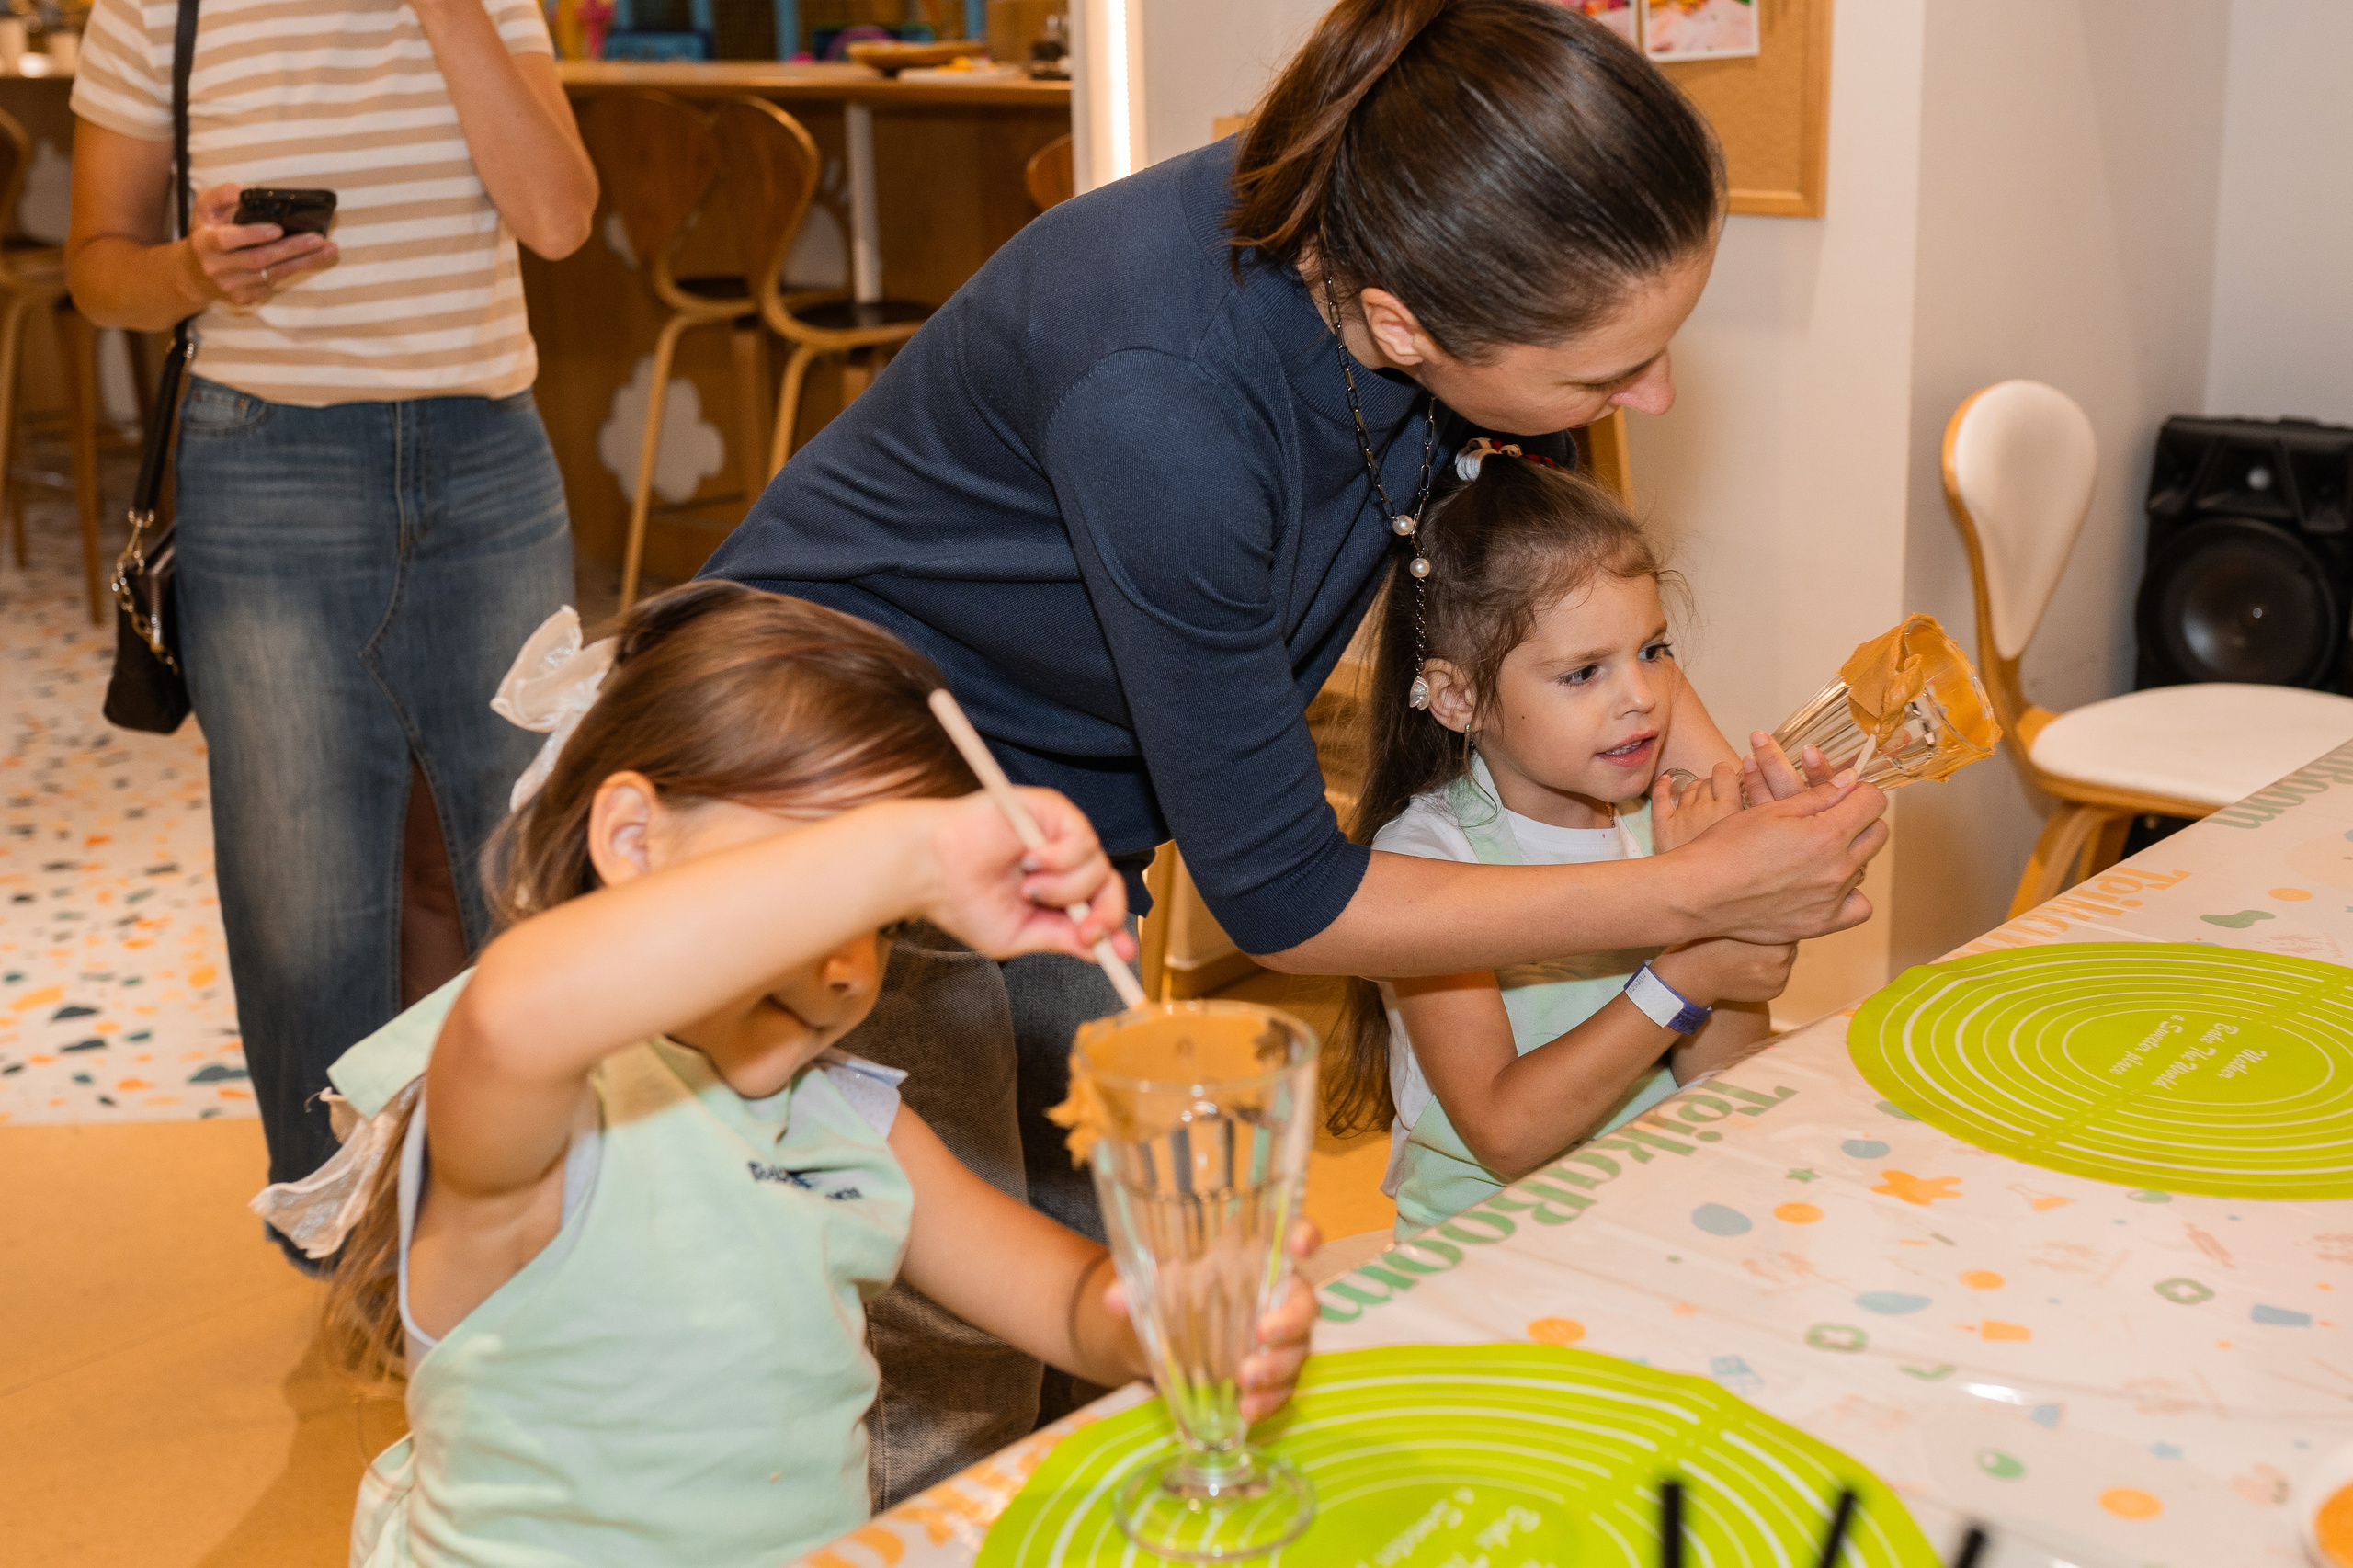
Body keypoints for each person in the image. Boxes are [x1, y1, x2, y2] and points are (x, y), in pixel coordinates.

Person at [703, 0, 1887, 1495]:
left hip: (1043, 808)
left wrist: (1720, 792)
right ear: (1402, 327)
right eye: (1607, 373)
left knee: (1110, 1281)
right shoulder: (1167, 402)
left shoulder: (1427, 242)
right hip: (818, 789)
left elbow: (1555, 583)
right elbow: (1282, 894)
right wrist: (1699, 893)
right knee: (952, 1347)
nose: (1646, 398)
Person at [264, 583, 1317, 1566]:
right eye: (823, 880)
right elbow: (516, 1009)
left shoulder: (850, 1119)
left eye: (885, 920)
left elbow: (1067, 1297)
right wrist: (914, 853)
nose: (852, 963)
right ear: (631, 837)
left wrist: (1161, 1314)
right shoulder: (549, 1105)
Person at [64, 0, 599, 1238]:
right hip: (265, 468)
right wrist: (193, 271)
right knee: (303, 904)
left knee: (523, 866)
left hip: (485, 460)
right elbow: (98, 267)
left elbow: (559, 219)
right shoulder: (156, 8)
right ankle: (353, 1253)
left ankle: (538, 1231)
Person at [1325, 443, 1806, 1239]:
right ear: (1457, 697)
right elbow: (1505, 1136)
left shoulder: (1664, 820)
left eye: (1653, 652)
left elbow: (1721, 1079)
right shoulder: (1428, 861)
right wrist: (1686, 969)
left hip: (1656, 1214)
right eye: (1583, 673)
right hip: (1488, 1245)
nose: (1642, 698)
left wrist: (1731, 915)